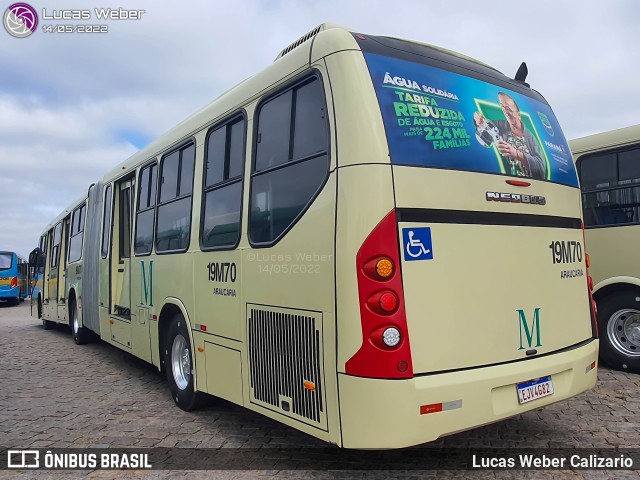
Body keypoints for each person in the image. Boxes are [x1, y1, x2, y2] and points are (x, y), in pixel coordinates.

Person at [473, 92, 546, 179]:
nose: (506, 112)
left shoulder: (531, 139)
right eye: (503, 108)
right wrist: (479, 121)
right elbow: (488, 125)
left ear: (519, 114)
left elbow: (540, 167)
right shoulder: (502, 126)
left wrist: (516, 153)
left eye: (508, 109)